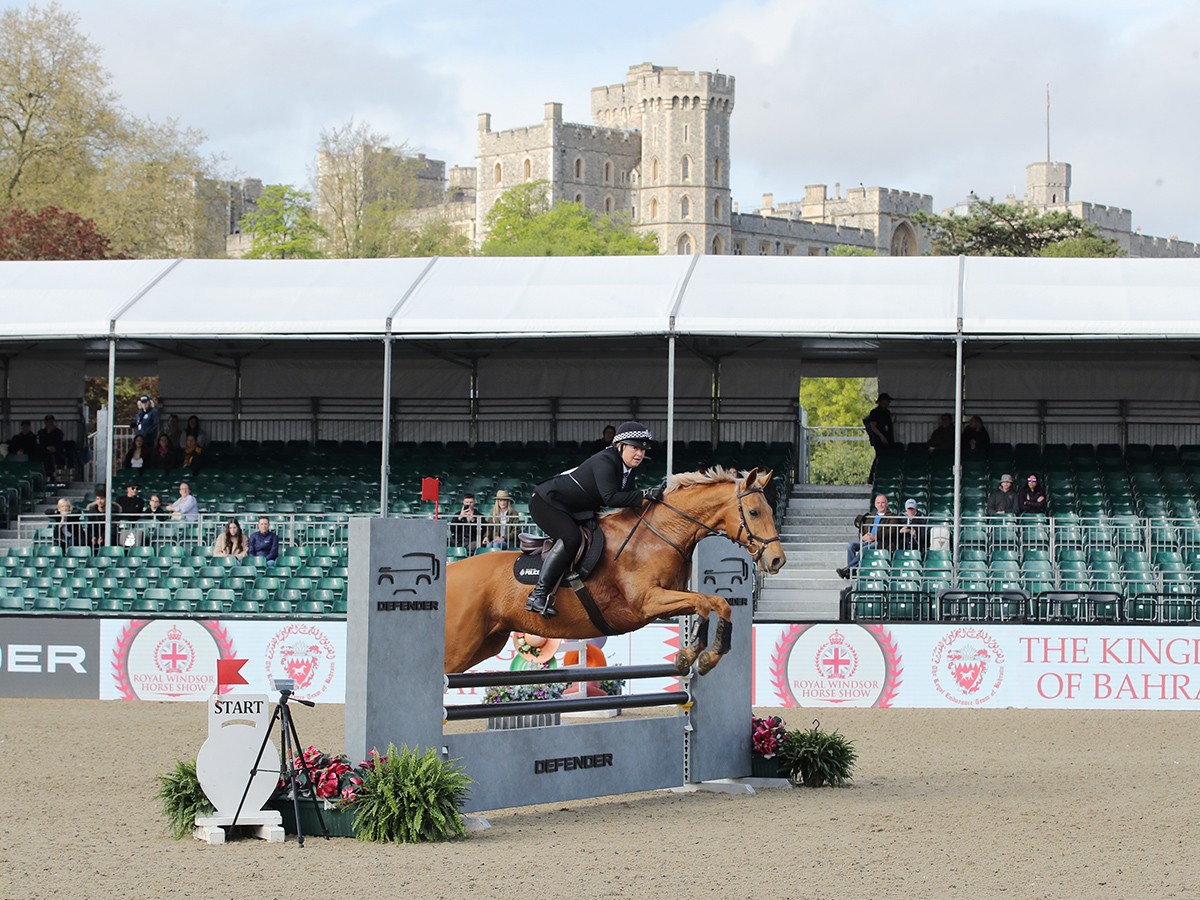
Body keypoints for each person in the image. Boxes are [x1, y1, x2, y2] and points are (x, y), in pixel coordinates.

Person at [525, 420, 661, 618]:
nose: (640, 454)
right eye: (635, 448)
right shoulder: (605, 461)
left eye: (643, 449)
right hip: (547, 503)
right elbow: (611, 497)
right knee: (571, 538)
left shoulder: (627, 468)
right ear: (620, 446)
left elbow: (630, 499)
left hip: (575, 508)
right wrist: (646, 493)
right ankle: (538, 595)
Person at [837, 494, 898, 579]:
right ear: (875, 504)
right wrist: (863, 537)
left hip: (881, 542)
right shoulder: (870, 516)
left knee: (864, 549)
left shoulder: (892, 516)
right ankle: (852, 571)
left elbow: (891, 531)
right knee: (851, 545)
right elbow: (863, 529)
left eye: (883, 503)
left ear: (887, 504)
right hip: (868, 541)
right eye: (878, 503)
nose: (880, 505)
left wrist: (875, 537)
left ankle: (849, 570)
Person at [863, 393, 894, 480]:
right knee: (879, 456)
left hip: (887, 437)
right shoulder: (874, 412)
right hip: (879, 438)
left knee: (885, 456)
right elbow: (873, 426)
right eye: (887, 400)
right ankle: (872, 477)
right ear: (881, 401)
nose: (888, 402)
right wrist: (881, 436)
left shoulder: (887, 412)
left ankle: (882, 475)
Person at [37, 414, 66, 480]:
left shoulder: (59, 433)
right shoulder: (41, 432)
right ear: (45, 423)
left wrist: (52, 448)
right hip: (44, 453)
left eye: (51, 422)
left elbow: (59, 444)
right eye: (48, 422)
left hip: (56, 453)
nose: (50, 423)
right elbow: (40, 444)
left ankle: (52, 474)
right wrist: (46, 448)